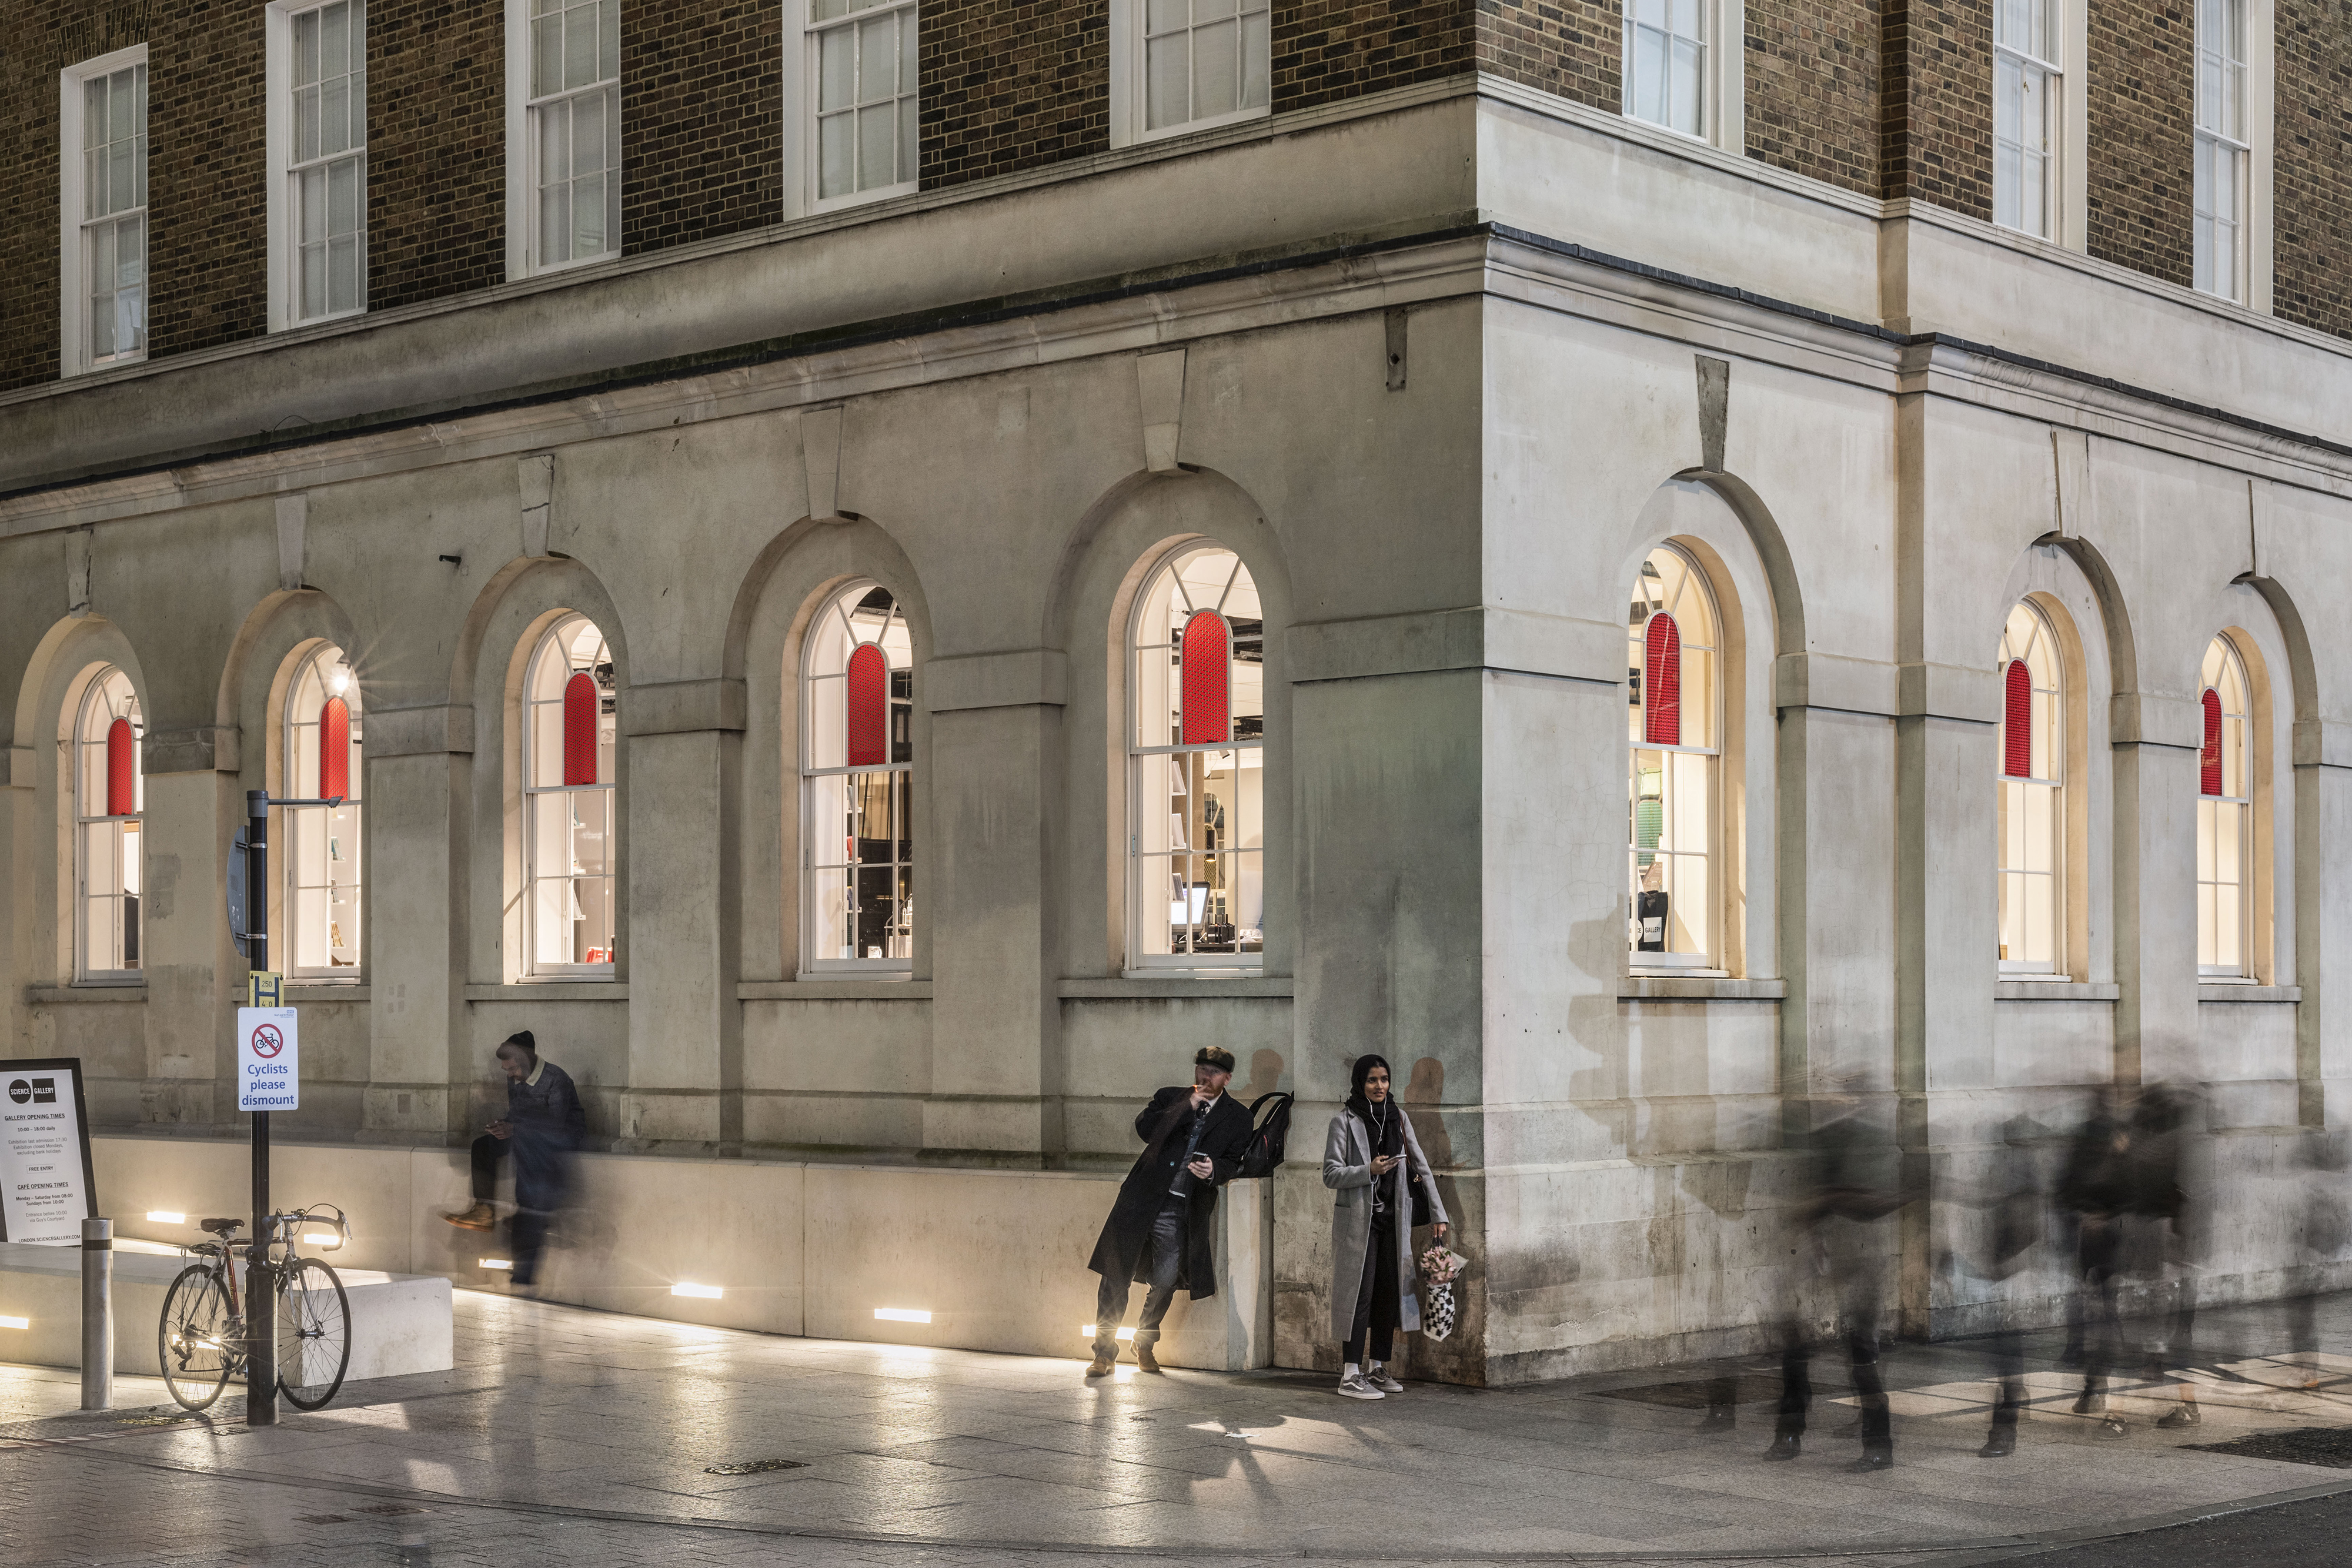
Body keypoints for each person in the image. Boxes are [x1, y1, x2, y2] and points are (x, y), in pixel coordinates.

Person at [1084, 1045, 1254, 1376]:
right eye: (1201, 1069)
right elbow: (1145, 1130)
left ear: (1228, 1078)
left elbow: (1234, 1162)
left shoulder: (1239, 1117)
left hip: (1183, 1206)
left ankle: (1144, 1342)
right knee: (1114, 1276)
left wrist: (1215, 1171)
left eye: (1214, 1072)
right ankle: (1103, 1354)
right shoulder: (1170, 1097)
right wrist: (1183, 1108)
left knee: (1166, 1279)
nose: (1206, 1076)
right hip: (1140, 1199)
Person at [1324, 1053, 1448, 1400]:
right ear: (1359, 1084)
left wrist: (1439, 1214)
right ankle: (1350, 1373)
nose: (1379, 1087)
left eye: (1384, 1080)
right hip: (1359, 1225)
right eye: (1372, 1081)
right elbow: (1330, 1173)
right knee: (1357, 1297)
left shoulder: (1399, 1118)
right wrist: (1369, 1172)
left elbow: (1421, 1167)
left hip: (1395, 1221)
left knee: (1388, 1294)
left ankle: (1377, 1367)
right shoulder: (1344, 1122)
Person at [441, 1031, 586, 1288]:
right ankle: (484, 1210)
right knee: (483, 1146)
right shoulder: (515, 1078)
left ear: (527, 1060)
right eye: (506, 1069)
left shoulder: (556, 1079)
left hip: (555, 1141)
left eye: (512, 1068)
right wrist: (504, 1125)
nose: (509, 1074)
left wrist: (516, 1130)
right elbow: (517, 1114)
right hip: (526, 1137)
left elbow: (557, 1125)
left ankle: (524, 1272)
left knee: (528, 1205)